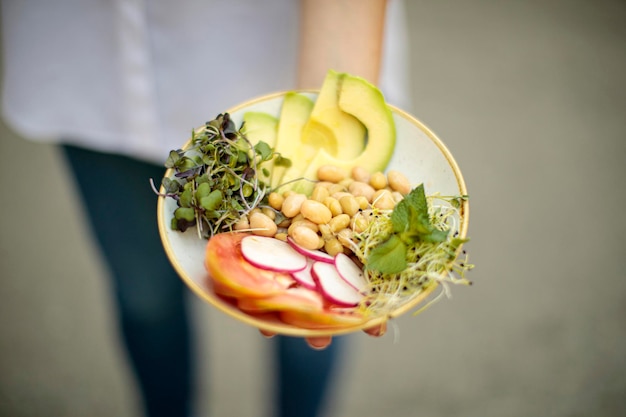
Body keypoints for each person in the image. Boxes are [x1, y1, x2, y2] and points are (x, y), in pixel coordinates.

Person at [1, 1, 411, 416]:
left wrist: (339, 107)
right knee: (144, 300)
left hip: (267, 68)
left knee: (310, 322)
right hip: (88, 83)